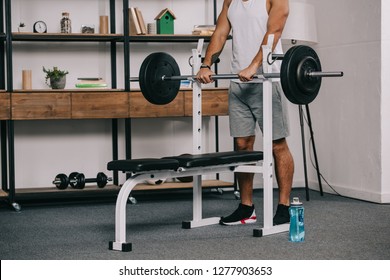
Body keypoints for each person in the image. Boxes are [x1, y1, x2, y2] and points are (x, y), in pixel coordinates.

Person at [196, 0, 294, 226]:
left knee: (277, 144)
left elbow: (274, 31)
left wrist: (254, 65)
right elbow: (220, 33)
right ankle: (246, 207)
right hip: (238, 83)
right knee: (242, 144)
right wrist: (206, 64)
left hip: (267, 79)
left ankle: (284, 206)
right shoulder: (230, 1)